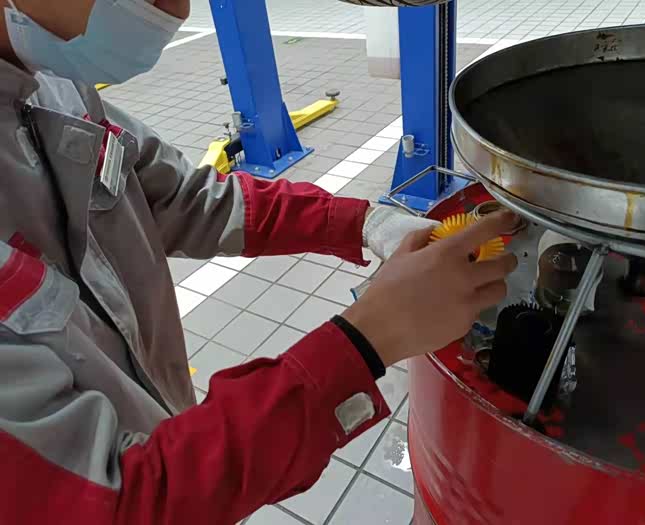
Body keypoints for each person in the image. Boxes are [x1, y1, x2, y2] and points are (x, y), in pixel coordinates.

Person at [0, 0, 519, 523]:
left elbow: (182, 198)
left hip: (172, 436)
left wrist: (364, 224)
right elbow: (121, 502)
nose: (174, 10)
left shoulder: (56, 85)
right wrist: (367, 341)